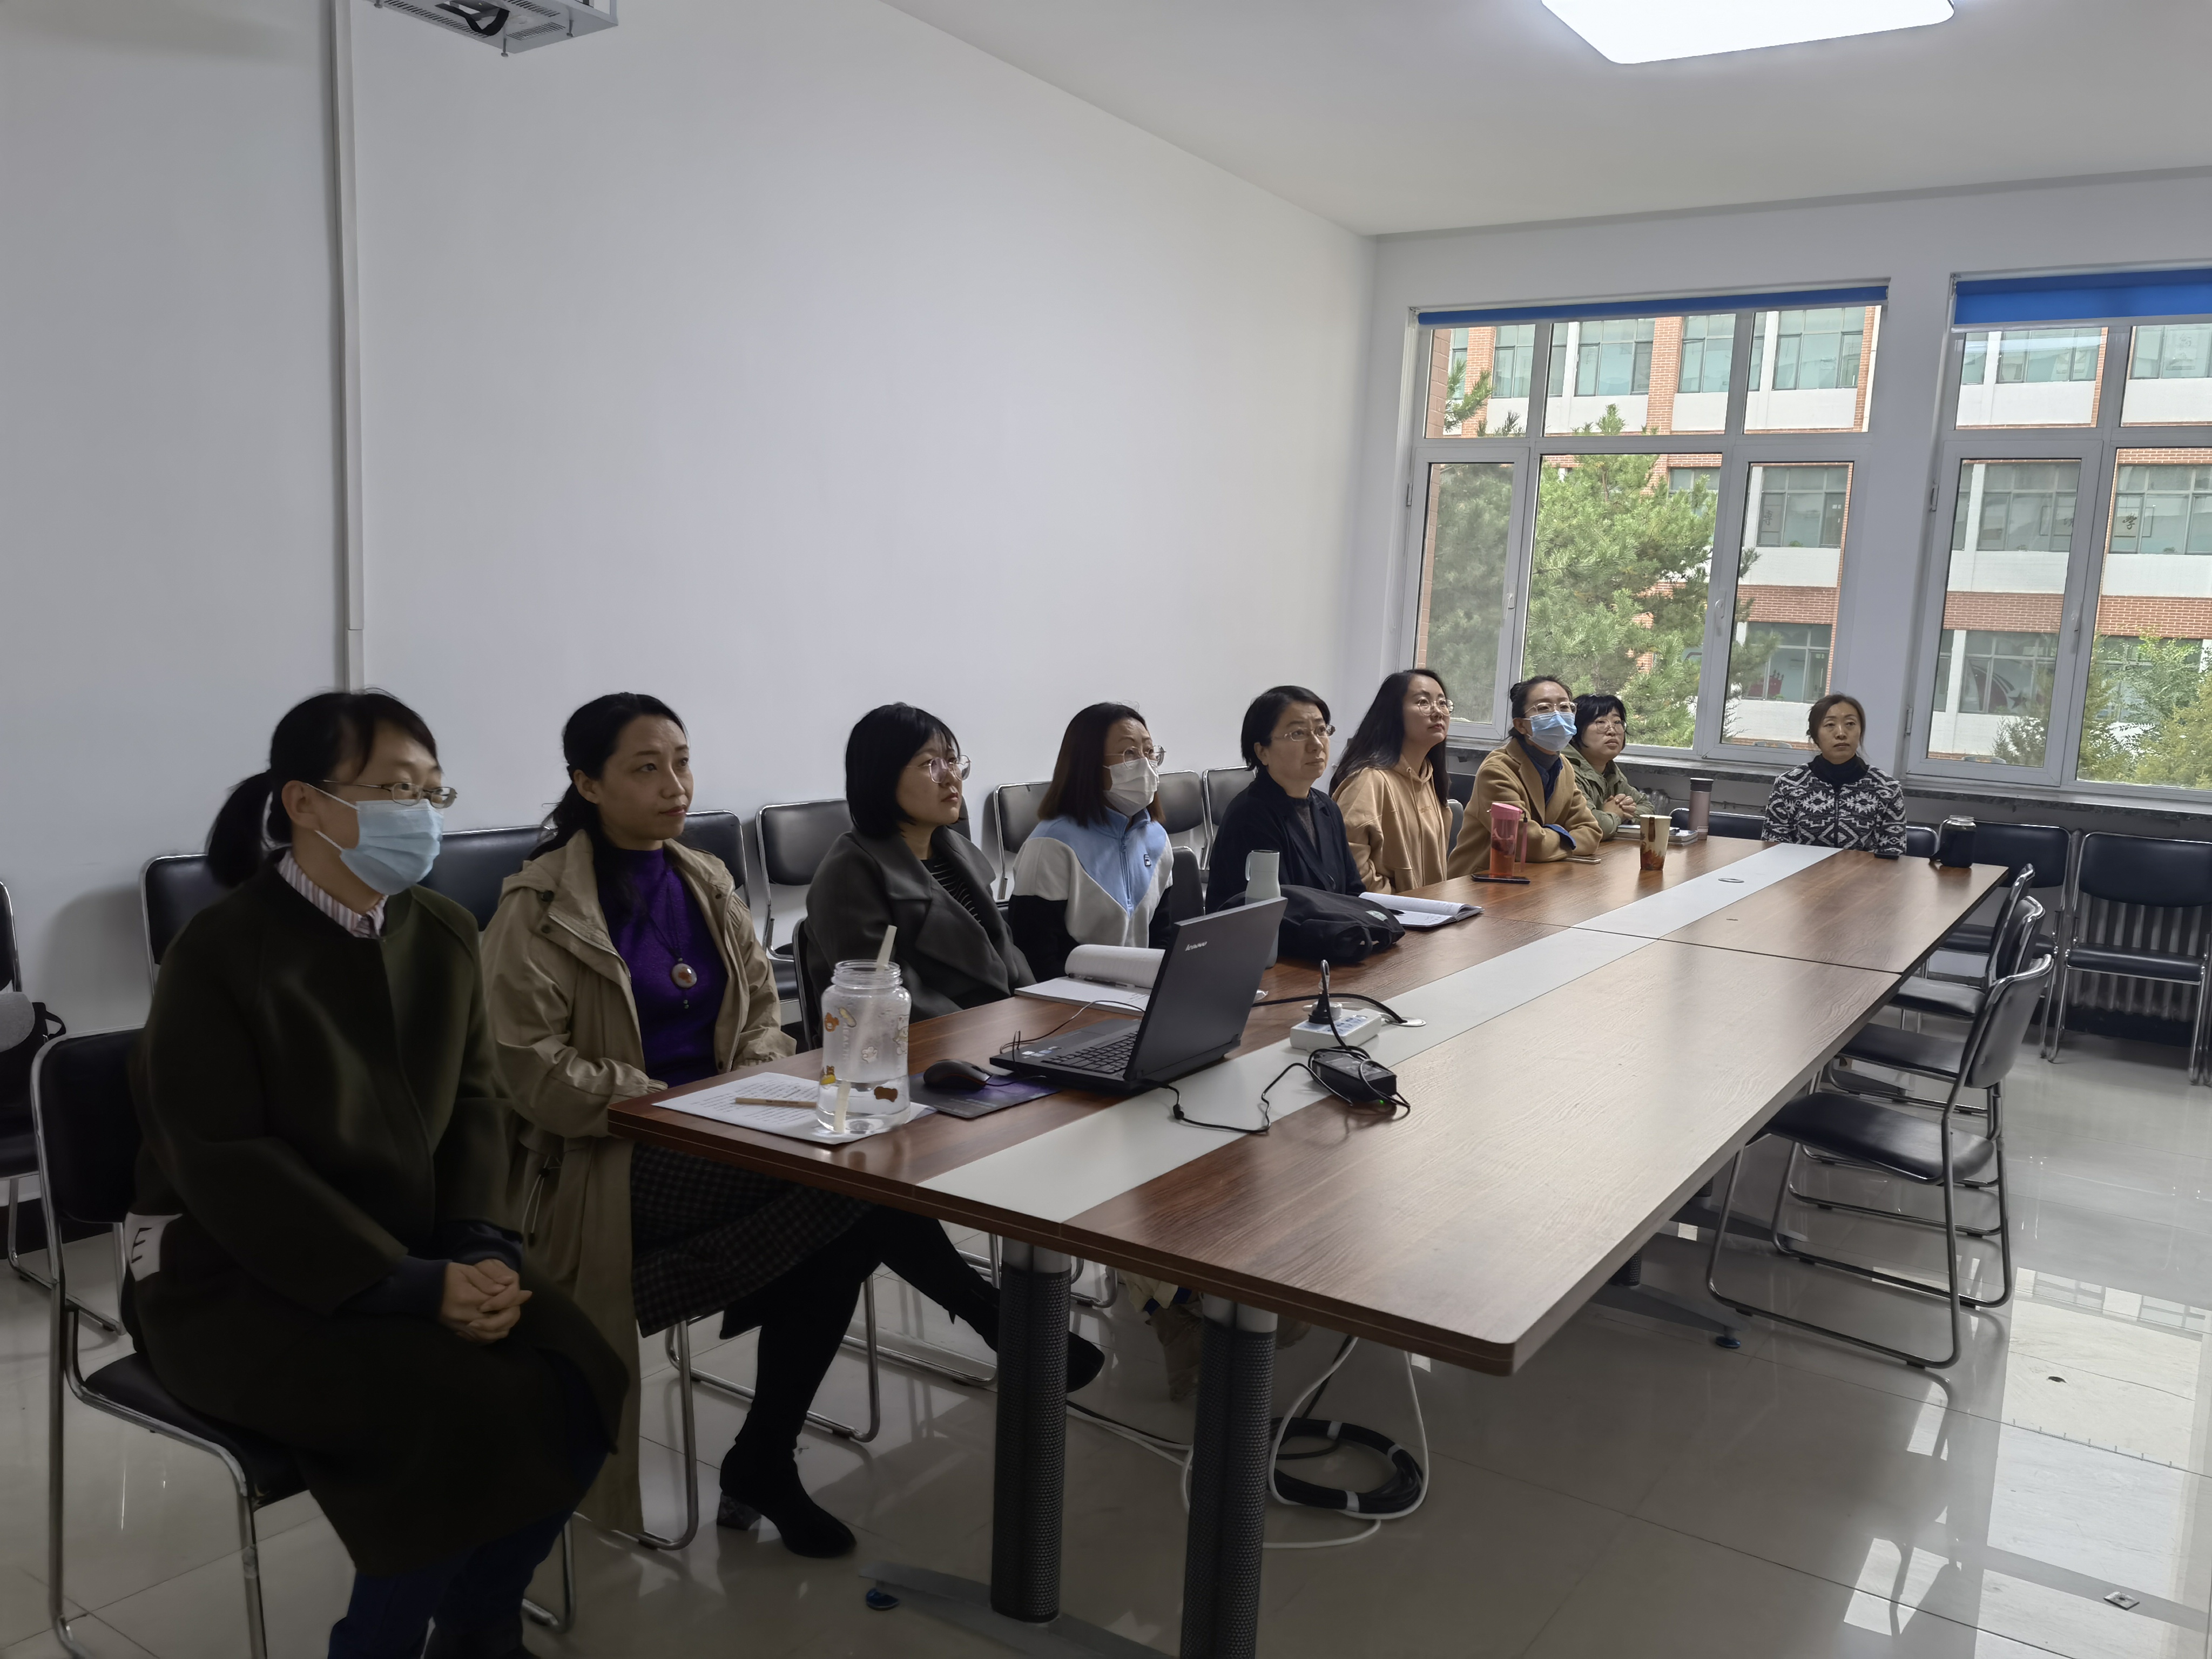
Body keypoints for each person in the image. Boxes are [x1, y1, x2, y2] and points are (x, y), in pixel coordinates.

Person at [484, 694, 1096, 1562]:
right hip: (612, 1156)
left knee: (845, 1204)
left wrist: (747, 1087)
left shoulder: (705, 879)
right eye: (646, 768)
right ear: (587, 783)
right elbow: (532, 1068)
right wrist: (665, 1103)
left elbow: (766, 1020)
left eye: (682, 763)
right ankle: (989, 1319)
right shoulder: (539, 905)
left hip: (733, 1127)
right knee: (853, 1187)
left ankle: (766, 1456)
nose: (675, 785)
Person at [125, 691, 627, 1659]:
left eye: (433, 791)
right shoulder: (220, 952)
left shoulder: (439, 929)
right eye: (398, 790)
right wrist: (406, 1285)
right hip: (232, 1274)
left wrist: (480, 1246)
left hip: (421, 1247)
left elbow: (476, 1104)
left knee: (580, 1368)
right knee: (444, 1409)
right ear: (305, 804)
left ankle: (478, 1623)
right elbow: (227, 1164)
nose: (423, 814)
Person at [806, 704, 1033, 1020]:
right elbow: (885, 999)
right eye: (930, 764)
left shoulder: (959, 851)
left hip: (1003, 1027)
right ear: (881, 776)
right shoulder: (851, 872)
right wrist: (991, 1031)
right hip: (933, 1039)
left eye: (952, 761)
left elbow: (1007, 954)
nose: (951, 777)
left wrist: (1038, 1009)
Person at [1007, 702, 1178, 981]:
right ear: (1088, 764)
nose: (1145, 764)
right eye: (1129, 753)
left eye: (1149, 752)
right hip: (1072, 998)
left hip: (1141, 992)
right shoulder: (1050, 845)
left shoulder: (1157, 838)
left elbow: (1161, 936)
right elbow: (1036, 958)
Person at [1205, 685, 1362, 909]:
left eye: (1321, 730)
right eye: (1298, 734)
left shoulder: (1327, 807)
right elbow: (1279, 911)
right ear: (1262, 752)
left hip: (1333, 928)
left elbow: (1353, 890)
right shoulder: (1250, 816)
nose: (1317, 744)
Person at [1447, 675, 1603, 876]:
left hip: (1536, 876)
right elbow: (1525, 844)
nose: (1557, 714)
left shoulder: (1564, 766)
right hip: (1483, 880)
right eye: (1544, 708)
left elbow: (1591, 833)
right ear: (1521, 725)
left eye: (1565, 707)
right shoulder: (1497, 770)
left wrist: (1545, 838)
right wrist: (1568, 838)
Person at [1330, 668, 1454, 893]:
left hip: (1430, 909)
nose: (1438, 712)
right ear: (1393, 713)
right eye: (1423, 702)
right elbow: (1348, 864)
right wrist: (1394, 898)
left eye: (1443, 703)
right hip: (1388, 911)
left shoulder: (1429, 777)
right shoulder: (1368, 780)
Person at [1761, 692, 1906, 855]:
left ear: (1861, 731)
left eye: (1850, 724)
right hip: (1801, 871)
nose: (1841, 733)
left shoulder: (1887, 789)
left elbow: (1893, 854)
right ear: (1815, 736)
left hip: (1865, 872)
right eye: (1830, 725)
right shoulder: (1788, 785)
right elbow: (1774, 850)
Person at [1567, 692, 1651, 841]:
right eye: (1601, 722)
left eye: (1617, 722)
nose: (1612, 731)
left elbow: (1647, 807)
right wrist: (1614, 815)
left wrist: (1620, 815)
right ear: (1575, 731)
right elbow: (1593, 825)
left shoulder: (1609, 769)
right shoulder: (1565, 768)